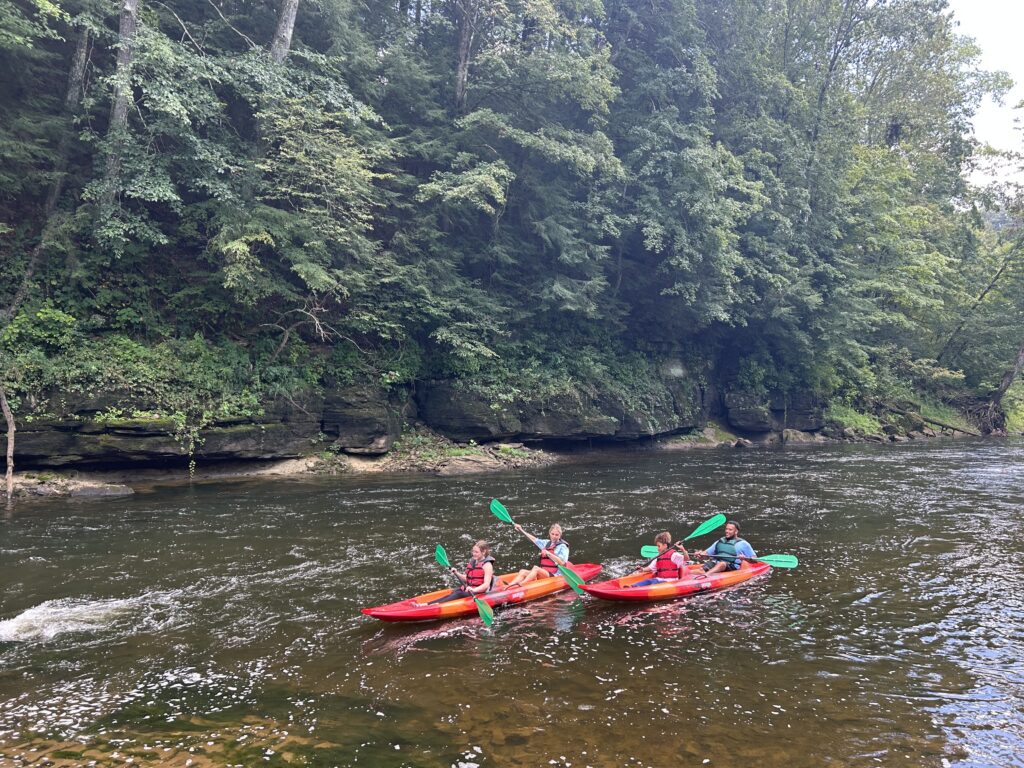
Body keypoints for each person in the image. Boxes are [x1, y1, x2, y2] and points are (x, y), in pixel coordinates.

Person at [504, 523, 569, 588]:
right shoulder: (546, 543)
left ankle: (522, 585)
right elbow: (533, 539)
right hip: (545, 573)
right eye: (552, 534)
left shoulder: (563, 547)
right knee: (522, 571)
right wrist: (521, 530)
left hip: (555, 575)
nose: (554, 536)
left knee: (536, 568)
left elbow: (562, 563)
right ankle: (509, 586)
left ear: (560, 535)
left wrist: (549, 553)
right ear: (549, 533)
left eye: (556, 535)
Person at [428, 540, 495, 604]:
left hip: (479, 592)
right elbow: (468, 578)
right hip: (469, 589)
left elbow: (486, 585)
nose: (473, 554)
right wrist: (456, 573)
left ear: (483, 552)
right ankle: (427, 604)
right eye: (473, 551)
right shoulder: (474, 561)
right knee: (456, 591)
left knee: (459, 593)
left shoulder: (487, 565)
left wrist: (474, 590)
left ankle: (434, 605)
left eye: (476, 552)